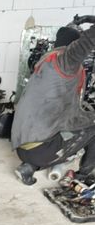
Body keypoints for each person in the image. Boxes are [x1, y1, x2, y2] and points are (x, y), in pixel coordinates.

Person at [11, 20, 95, 185]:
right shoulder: (66, 62)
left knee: (70, 127)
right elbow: (87, 41)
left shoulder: (46, 62)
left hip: (23, 146)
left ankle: (28, 167)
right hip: (41, 149)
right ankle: (84, 178)